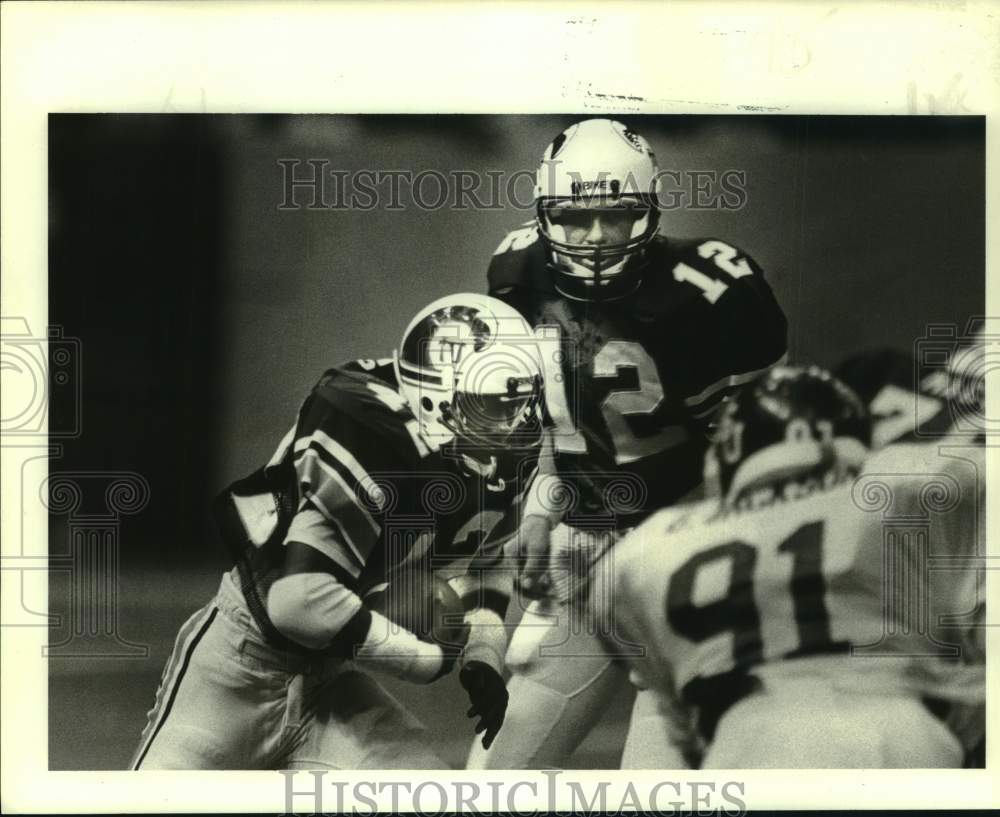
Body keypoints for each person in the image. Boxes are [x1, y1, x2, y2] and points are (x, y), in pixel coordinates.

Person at [468, 118, 788, 769]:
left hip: (685, 558)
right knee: (492, 779)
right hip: (583, 551)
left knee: (655, 791)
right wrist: (540, 511)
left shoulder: (709, 293)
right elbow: (561, 416)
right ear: (543, 215)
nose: (593, 237)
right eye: (573, 217)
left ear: (649, 209)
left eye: (615, 216)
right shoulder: (517, 273)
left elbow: (758, 459)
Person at [131, 294, 545, 769]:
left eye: (522, 402)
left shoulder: (485, 459)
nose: (519, 425)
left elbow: (485, 562)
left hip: (330, 682)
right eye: (497, 408)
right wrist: (426, 660)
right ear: (439, 401)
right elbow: (300, 603)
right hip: (238, 667)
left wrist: (483, 654)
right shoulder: (368, 426)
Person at [595, 365, 985, 768]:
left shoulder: (653, 545)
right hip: (902, 730)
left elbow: (676, 713)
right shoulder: (917, 490)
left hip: (752, 739)